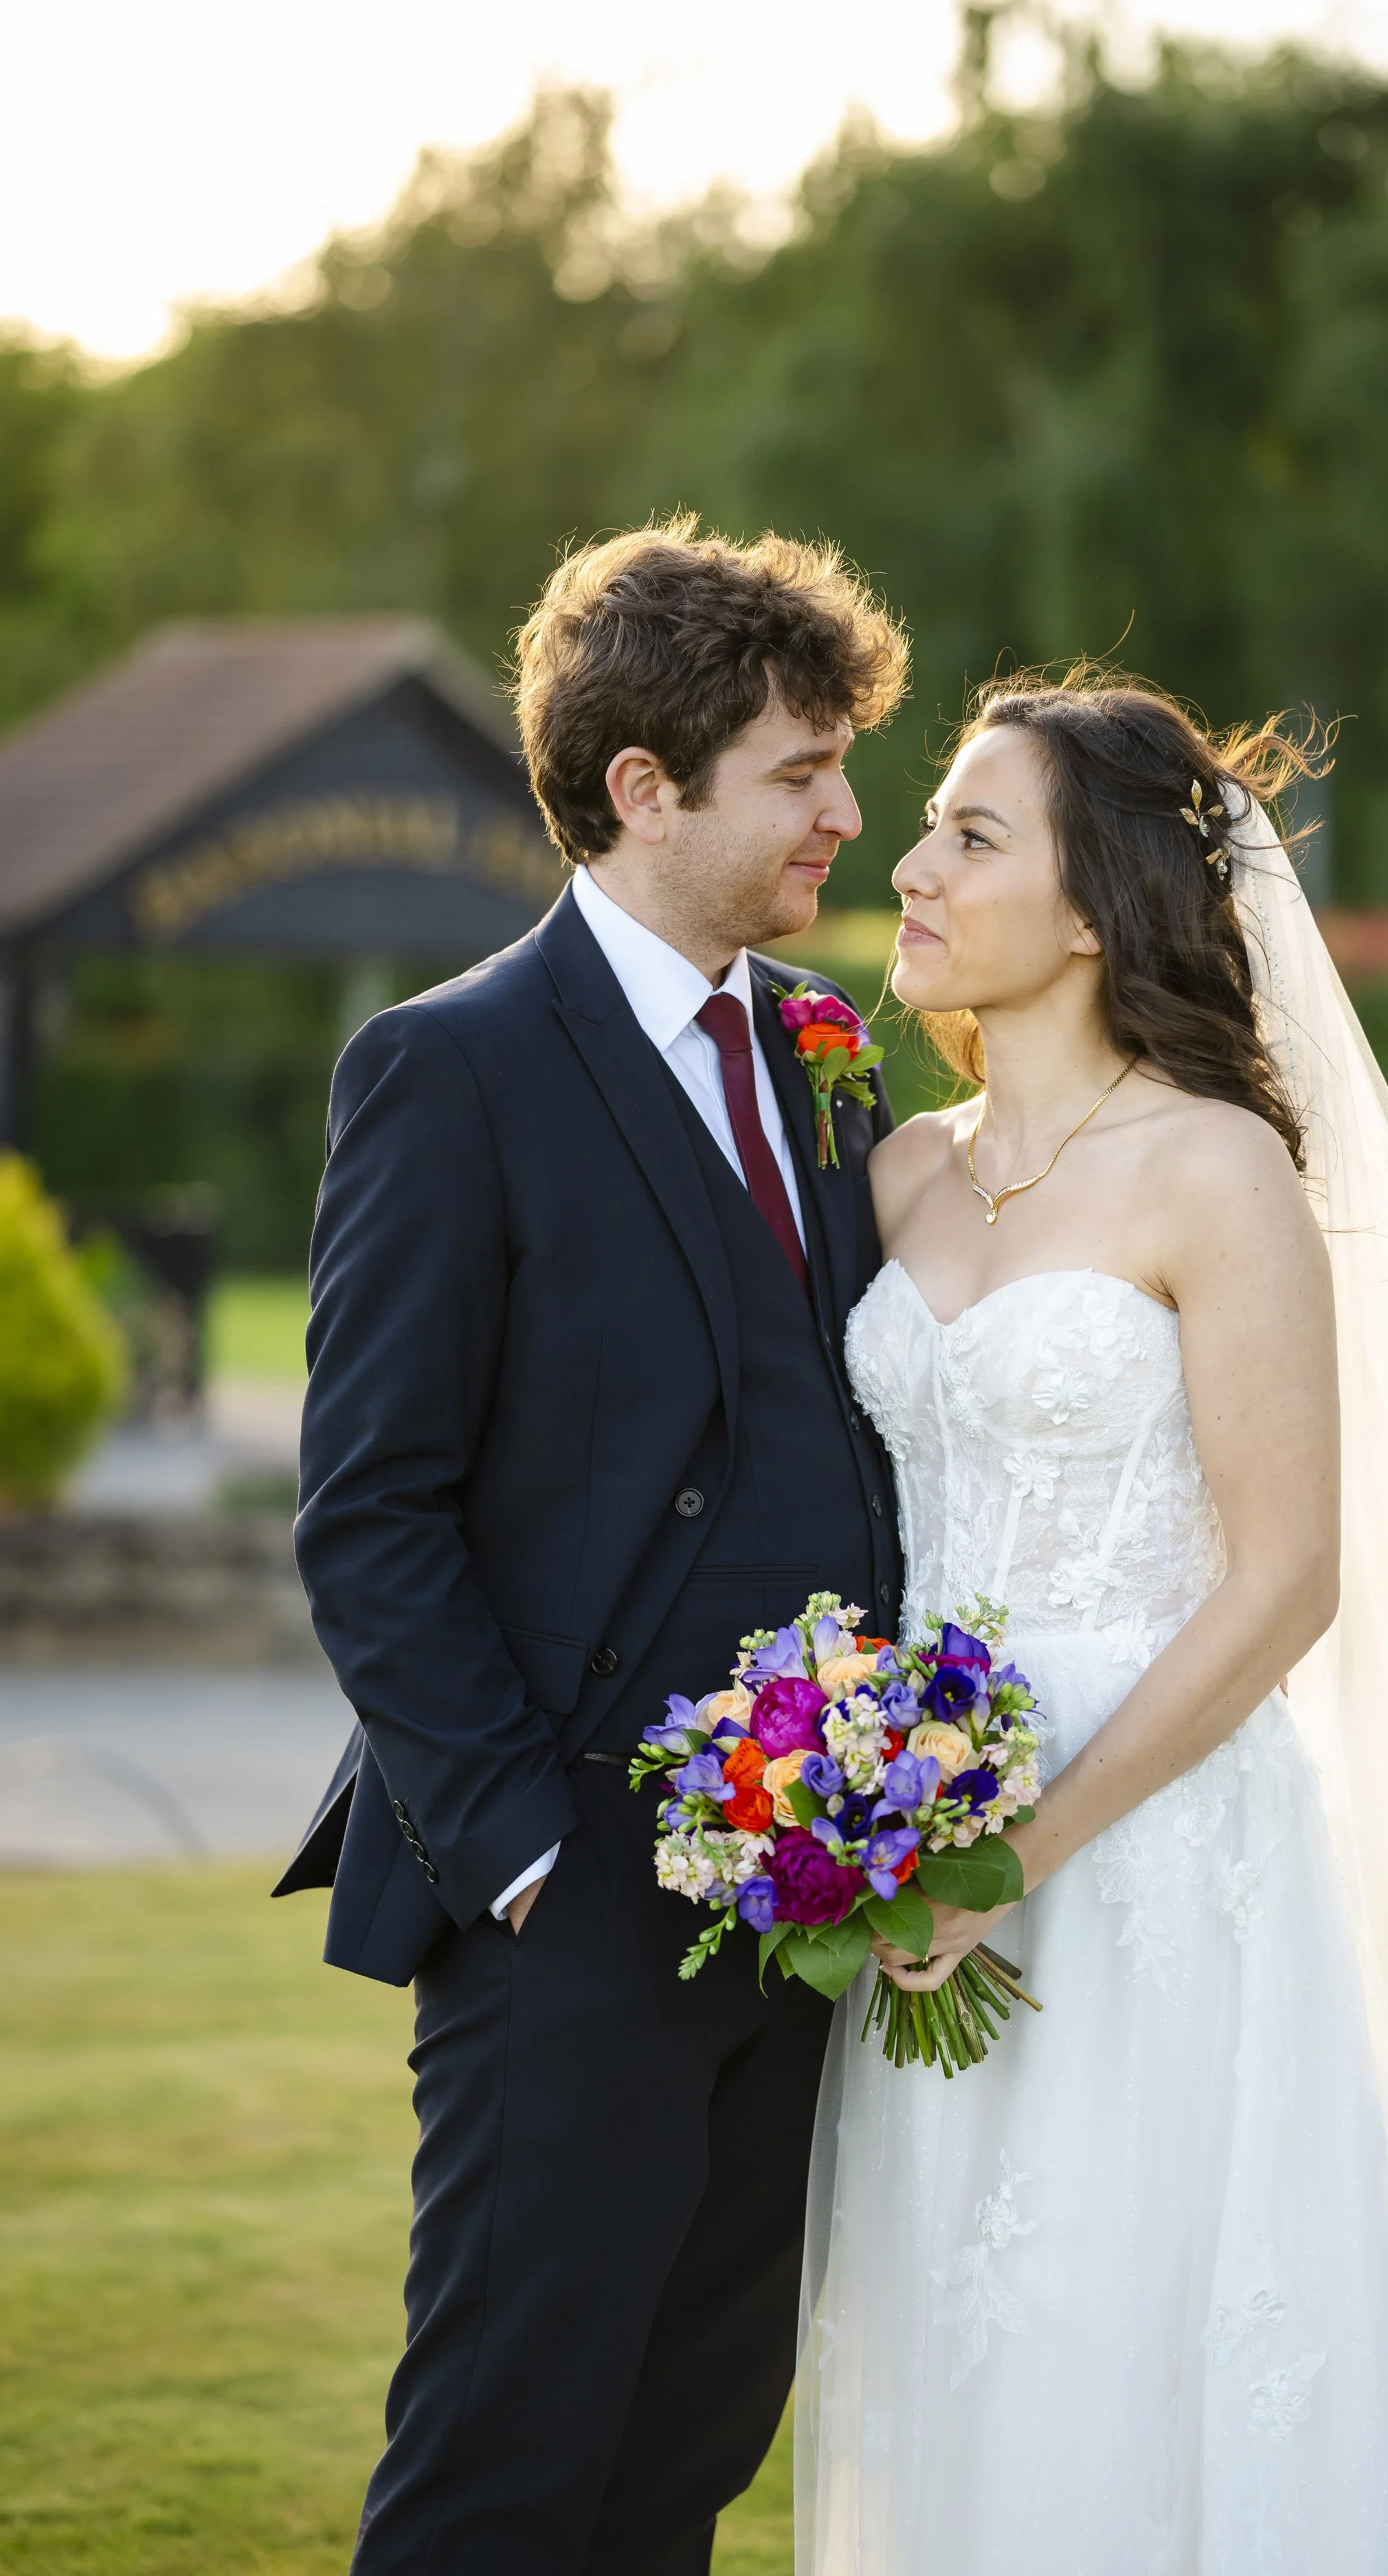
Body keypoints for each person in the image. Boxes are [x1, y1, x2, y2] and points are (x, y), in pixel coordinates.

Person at [796, 674, 1388, 2573]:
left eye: (971, 831)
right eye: (925, 820)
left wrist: (1018, 1847)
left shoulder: (1217, 1170)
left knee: (1165, 2322)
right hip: (916, 1844)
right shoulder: (894, 1170)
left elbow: (1285, 1574)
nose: (907, 861)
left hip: (1153, 1847)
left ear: (1093, 903)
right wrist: (877, 1819)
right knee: (971, 2326)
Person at [273, 519, 910, 2575]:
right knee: (500, 2467)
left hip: (802, 1886)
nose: (846, 809)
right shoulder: (446, 1067)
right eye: (801, 770)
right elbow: (370, 1506)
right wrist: (525, 1855)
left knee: (686, 2455)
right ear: (646, 786)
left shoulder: (819, 1046)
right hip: (565, 1900)